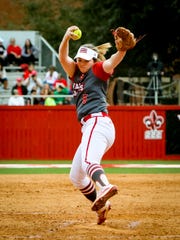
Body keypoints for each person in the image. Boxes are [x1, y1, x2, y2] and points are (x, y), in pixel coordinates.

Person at [58, 25, 129, 225]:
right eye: (79, 59)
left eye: (85, 60)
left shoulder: (98, 70)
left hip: (97, 122)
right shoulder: (75, 73)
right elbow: (63, 57)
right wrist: (66, 38)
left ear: (92, 60)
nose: (81, 62)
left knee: (89, 161)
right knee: (76, 176)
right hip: (91, 127)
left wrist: (122, 50)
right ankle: (102, 206)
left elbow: (112, 61)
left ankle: (105, 186)